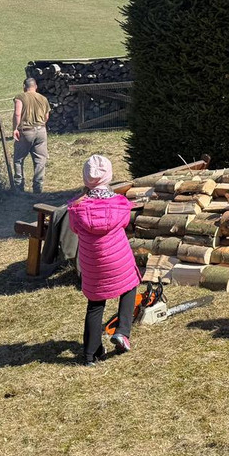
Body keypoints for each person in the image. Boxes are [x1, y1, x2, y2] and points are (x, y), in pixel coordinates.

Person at [67, 155, 139, 365]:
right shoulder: (120, 204)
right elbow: (124, 223)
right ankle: (122, 331)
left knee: (95, 304)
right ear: (109, 176)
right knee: (130, 286)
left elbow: (75, 229)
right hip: (118, 258)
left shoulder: (77, 207)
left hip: (92, 262)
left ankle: (90, 355)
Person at [12, 77, 51, 193]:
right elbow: (46, 117)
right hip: (41, 131)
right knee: (40, 160)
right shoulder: (43, 98)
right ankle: (38, 187)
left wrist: (15, 128)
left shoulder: (20, 97)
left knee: (18, 159)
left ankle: (19, 186)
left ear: (24, 86)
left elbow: (17, 113)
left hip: (26, 131)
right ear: (36, 86)